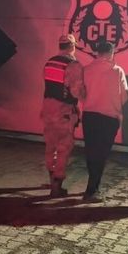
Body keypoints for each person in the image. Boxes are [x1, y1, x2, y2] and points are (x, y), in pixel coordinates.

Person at [80, 41, 128, 202]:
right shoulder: (117, 71)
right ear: (111, 53)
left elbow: (81, 92)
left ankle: (91, 186)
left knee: (91, 151)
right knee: (102, 153)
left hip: (89, 116)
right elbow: (124, 96)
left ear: (97, 52)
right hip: (108, 118)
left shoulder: (86, 70)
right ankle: (92, 189)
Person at [41, 34, 84, 197]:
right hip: (63, 110)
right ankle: (57, 186)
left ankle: (51, 178)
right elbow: (76, 91)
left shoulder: (49, 62)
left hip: (47, 108)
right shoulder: (73, 65)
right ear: (72, 46)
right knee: (63, 148)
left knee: (50, 145)